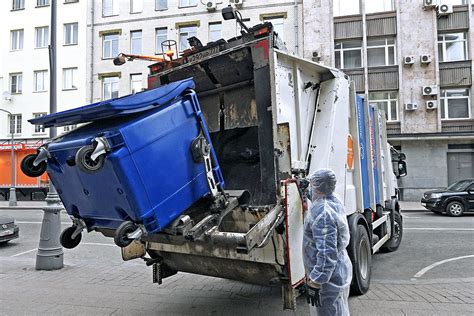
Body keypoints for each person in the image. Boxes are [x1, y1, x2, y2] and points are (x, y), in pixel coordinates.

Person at [303, 168, 352, 316]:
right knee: (338, 309)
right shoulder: (332, 200)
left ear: (318, 186)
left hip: (328, 280)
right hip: (337, 271)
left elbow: (327, 252)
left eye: (311, 184)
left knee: (330, 311)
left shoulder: (323, 213)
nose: (309, 187)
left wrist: (317, 281)